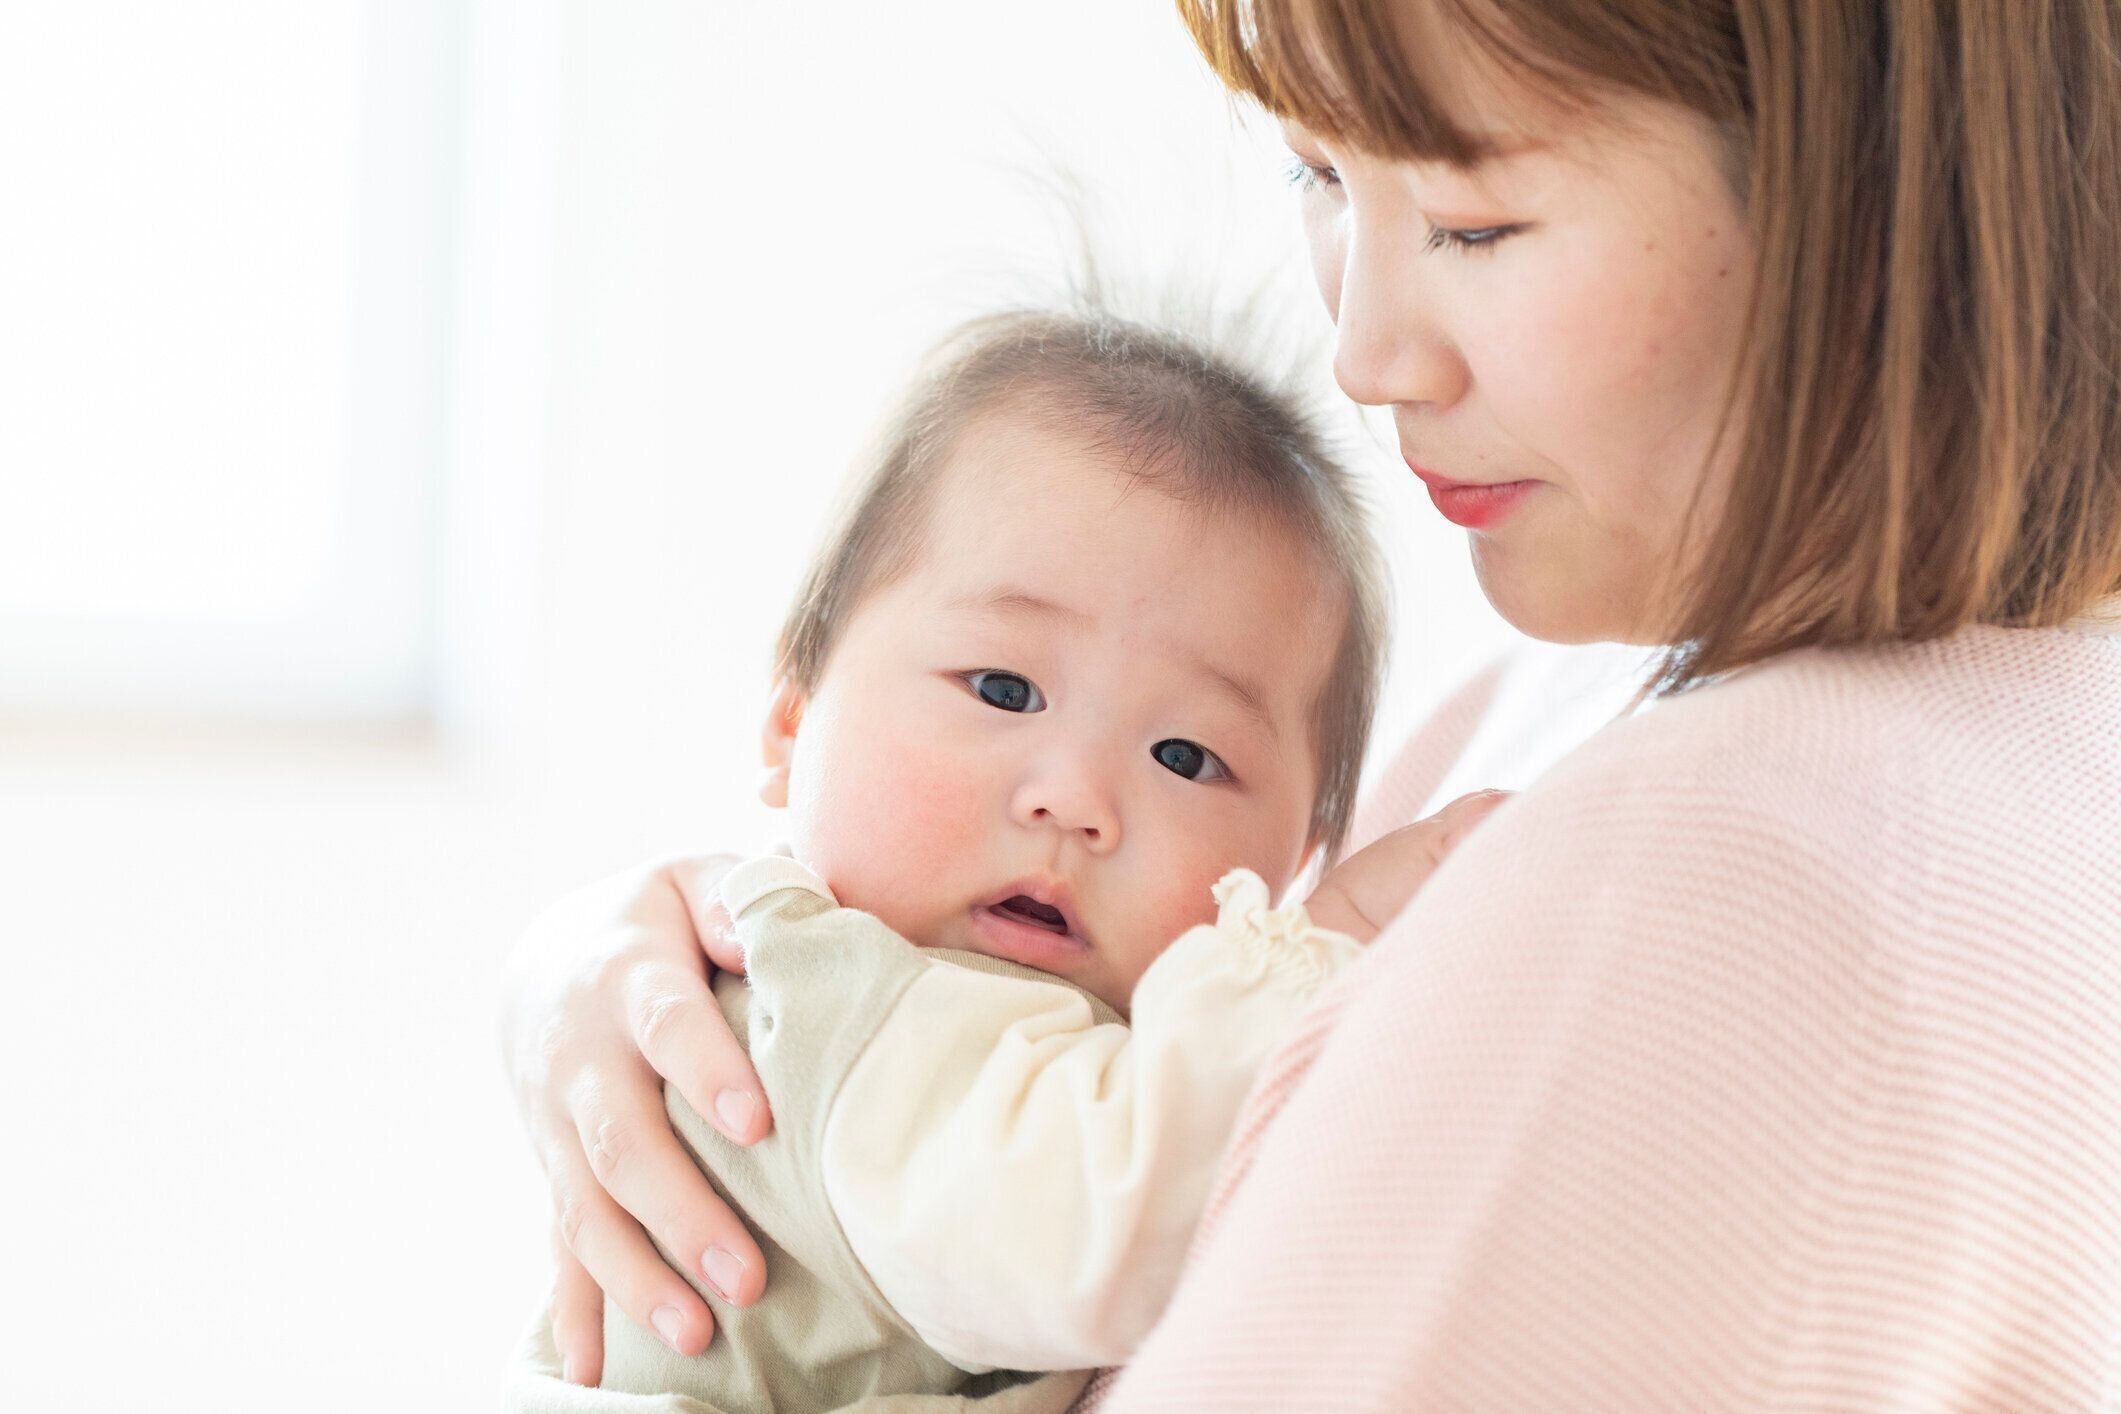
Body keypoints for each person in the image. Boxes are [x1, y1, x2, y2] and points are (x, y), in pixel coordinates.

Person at [504, 0, 2121, 1406]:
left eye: (1477, 225)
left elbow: (1096, 1197)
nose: (1363, 353)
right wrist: (651, 958)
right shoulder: (1564, 705)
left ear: (1872, 185)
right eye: (1317, 174)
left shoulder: (1726, 864)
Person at [505, 305, 1502, 1408]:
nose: (1076, 800)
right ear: (791, 723)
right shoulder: (841, 1013)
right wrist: (1331, 944)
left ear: (1291, 857)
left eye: (1185, 754)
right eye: (1002, 689)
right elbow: (1102, 1231)